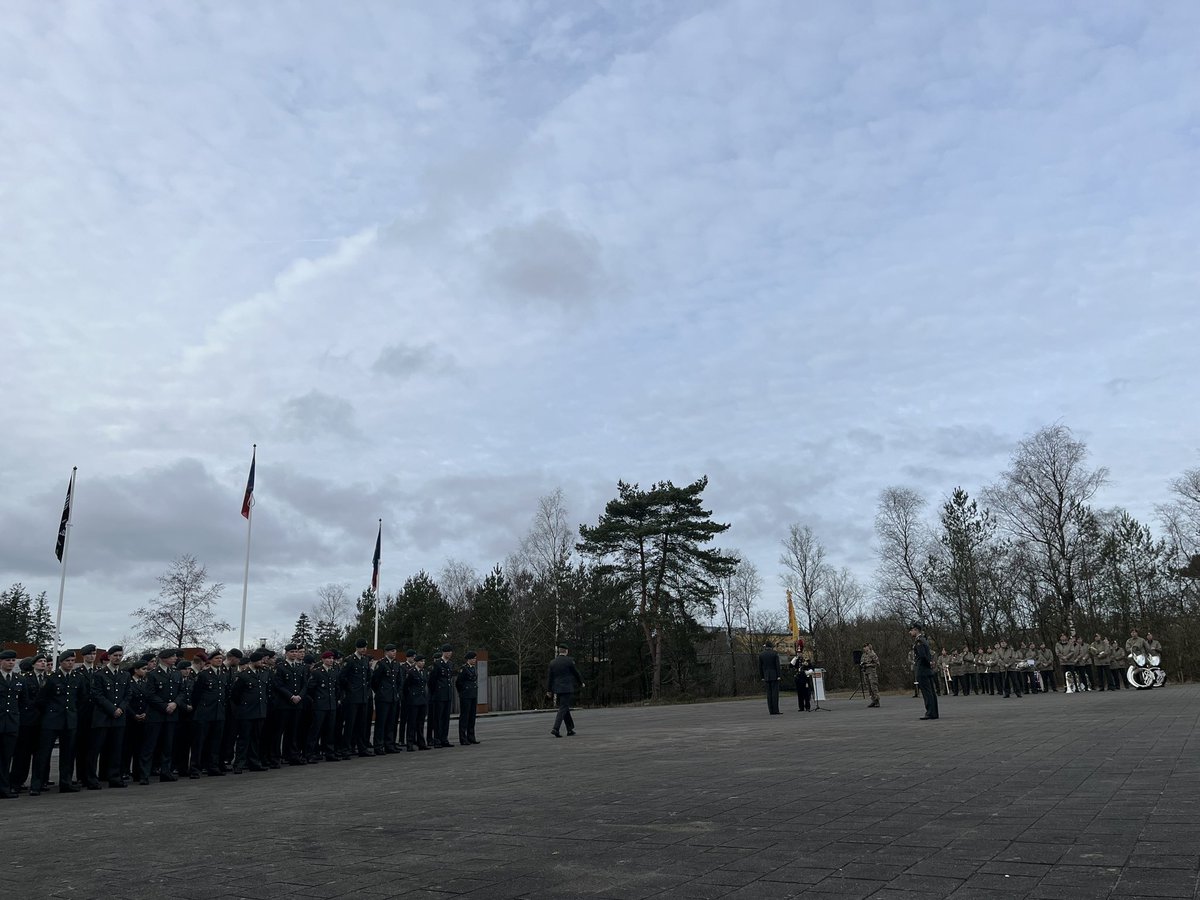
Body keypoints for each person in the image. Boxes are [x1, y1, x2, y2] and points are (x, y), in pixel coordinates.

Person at [32, 651, 83, 795]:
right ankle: (36, 785)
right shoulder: (53, 678)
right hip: (52, 721)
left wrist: (73, 712)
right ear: (61, 662)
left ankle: (65, 783)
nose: (70, 663)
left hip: (69, 721)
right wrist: (50, 712)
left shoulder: (77, 678)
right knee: (43, 754)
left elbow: (82, 698)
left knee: (68, 754)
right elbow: (41, 700)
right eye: (67, 660)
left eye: (73, 660)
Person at [88, 645, 129, 789]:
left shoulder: (125, 675)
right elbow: (97, 695)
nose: (118, 658)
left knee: (116, 749)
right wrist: (112, 709)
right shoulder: (99, 674)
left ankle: (114, 777)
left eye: (120, 655)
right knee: (95, 749)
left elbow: (127, 695)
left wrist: (121, 708)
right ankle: (92, 779)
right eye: (115, 655)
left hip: (119, 718)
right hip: (102, 717)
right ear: (109, 656)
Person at [0, 650, 24, 799]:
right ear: (1, 661)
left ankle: (4, 788)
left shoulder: (18, 679)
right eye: (7, 660)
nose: (10, 663)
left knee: (6, 758)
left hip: (11, 723)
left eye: (13, 660)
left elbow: (23, 701)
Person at [547, 642, 583, 738]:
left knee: (565, 707)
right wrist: (581, 683)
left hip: (557, 689)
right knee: (563, 708)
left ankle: (570, 729)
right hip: (567, 688)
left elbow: (550, 678)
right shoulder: (569, 661)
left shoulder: (553, 662)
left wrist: (549, 690)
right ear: (566, 651)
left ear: (559, 651)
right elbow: (576, 673)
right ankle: (555, 728)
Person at [371, 644, 402, 755]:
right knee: (381, 722)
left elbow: (399, 681)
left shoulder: (396, 664)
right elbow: (374, 681)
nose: (394, 653)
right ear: (386, 652)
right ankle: (378, 746)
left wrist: (396, 693)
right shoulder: (381, 664)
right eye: (392, 651)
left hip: (393, 697)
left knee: (391, 722)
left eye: (395, 651)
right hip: (383, 698)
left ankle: (389, 744)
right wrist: (381, 692)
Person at [428, 644, 455, 749]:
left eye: (451, 651)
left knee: (445, 718)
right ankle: (437, 739)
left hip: (447, 694)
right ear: (444, 652)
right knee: (438, 718)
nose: (450, 653)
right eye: (448, 652)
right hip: (439, 695)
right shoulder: (437, 664)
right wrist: (435, 693)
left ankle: (444, 739)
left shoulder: (450, 664)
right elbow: (432, 681)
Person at [909, 624, 938, 720]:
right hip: (927, 669)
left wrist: (927, 664)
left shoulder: (919, 641)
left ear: (916, 630)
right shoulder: (924, 640)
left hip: (922, 669)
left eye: (911, 630)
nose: (910, 632)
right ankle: (934, 712)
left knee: (927, 692)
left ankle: (930, 712)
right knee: (931, 692)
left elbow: (922, 656)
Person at [403, 655, 430, 751]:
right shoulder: (411, 672)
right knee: (411, 723)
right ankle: (409, 744)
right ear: (416, 662)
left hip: (422, 700)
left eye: (424, 661)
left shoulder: (424, 672)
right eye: (421, 661)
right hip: (413, 700)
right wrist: (409, 698)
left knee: (420, 723)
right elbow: (406, 686)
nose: (423, 663)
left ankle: (421, 743)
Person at [456, 651, 480, 745]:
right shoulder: (464, 669)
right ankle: (463, 738)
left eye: (475, 658)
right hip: (466, 695)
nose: (475, 660)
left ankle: (471, 736)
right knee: (464, 717)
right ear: (469, 659)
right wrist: (462, 692)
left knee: (472, 717)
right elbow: (458, 683)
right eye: (473, 659)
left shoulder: (473, 668)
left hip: (473, 694)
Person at [758, 641, 781, 715]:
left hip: (766, 675)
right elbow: (777, 665)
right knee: (775, 694)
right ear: (771, 646)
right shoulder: (774, 654)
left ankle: (770, 710)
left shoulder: (761, 655)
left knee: (769, 694)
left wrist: (762, 676)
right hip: (774, 675)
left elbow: (760, 667)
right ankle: (776, 710)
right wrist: (778, 675)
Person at [790, 645, 811, 711]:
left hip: (805, 678)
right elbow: (790, 666)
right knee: (800, 694)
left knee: (806, 693)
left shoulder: (806, 659)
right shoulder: (796, 660)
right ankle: (801, 707)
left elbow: (811, 667)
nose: (799, 654)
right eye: (798, 652)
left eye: (800, 652)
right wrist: (795, 658)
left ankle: (807, 706)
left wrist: (808, 672)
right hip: (798, 678)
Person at [859, 643, 880, 708]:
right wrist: (862, 665)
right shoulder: (863, 655)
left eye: (865, 647)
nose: (864, 648)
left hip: (872, 672)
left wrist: (869, 665)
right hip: (865, 672)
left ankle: (877, 701)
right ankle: (873, 700)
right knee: (868, 687)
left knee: (873, 686)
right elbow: (861, 662)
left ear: (868, 647)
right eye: (863, 647)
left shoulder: (872, 654)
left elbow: (877, 663)